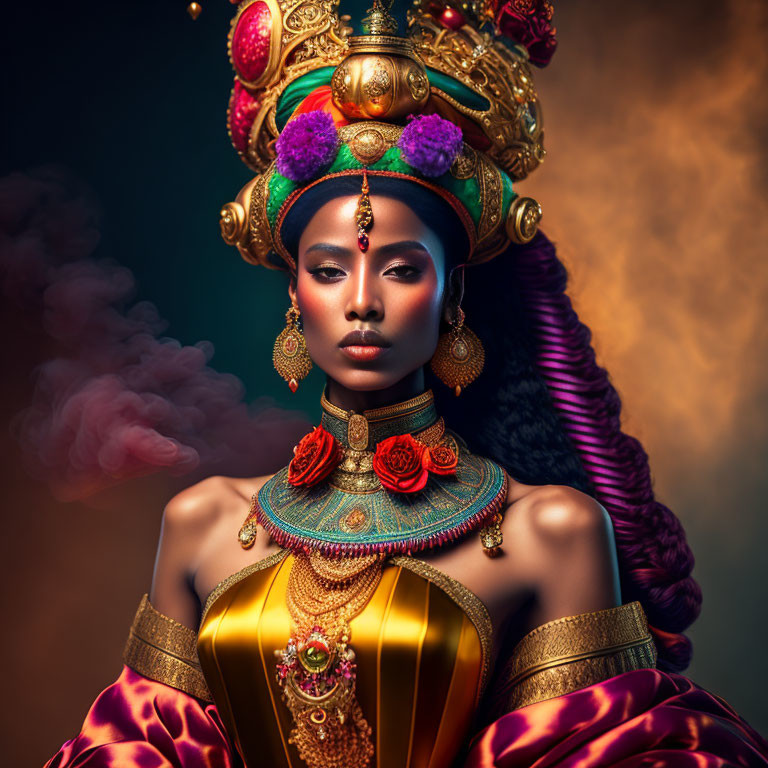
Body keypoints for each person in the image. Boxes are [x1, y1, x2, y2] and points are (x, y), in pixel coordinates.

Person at [46, 0, 768, 766]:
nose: (362, 299)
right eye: (329, 270)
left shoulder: (548, 532)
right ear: (295, 295)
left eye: (400, 268)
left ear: (453, 293)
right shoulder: (205, 523)